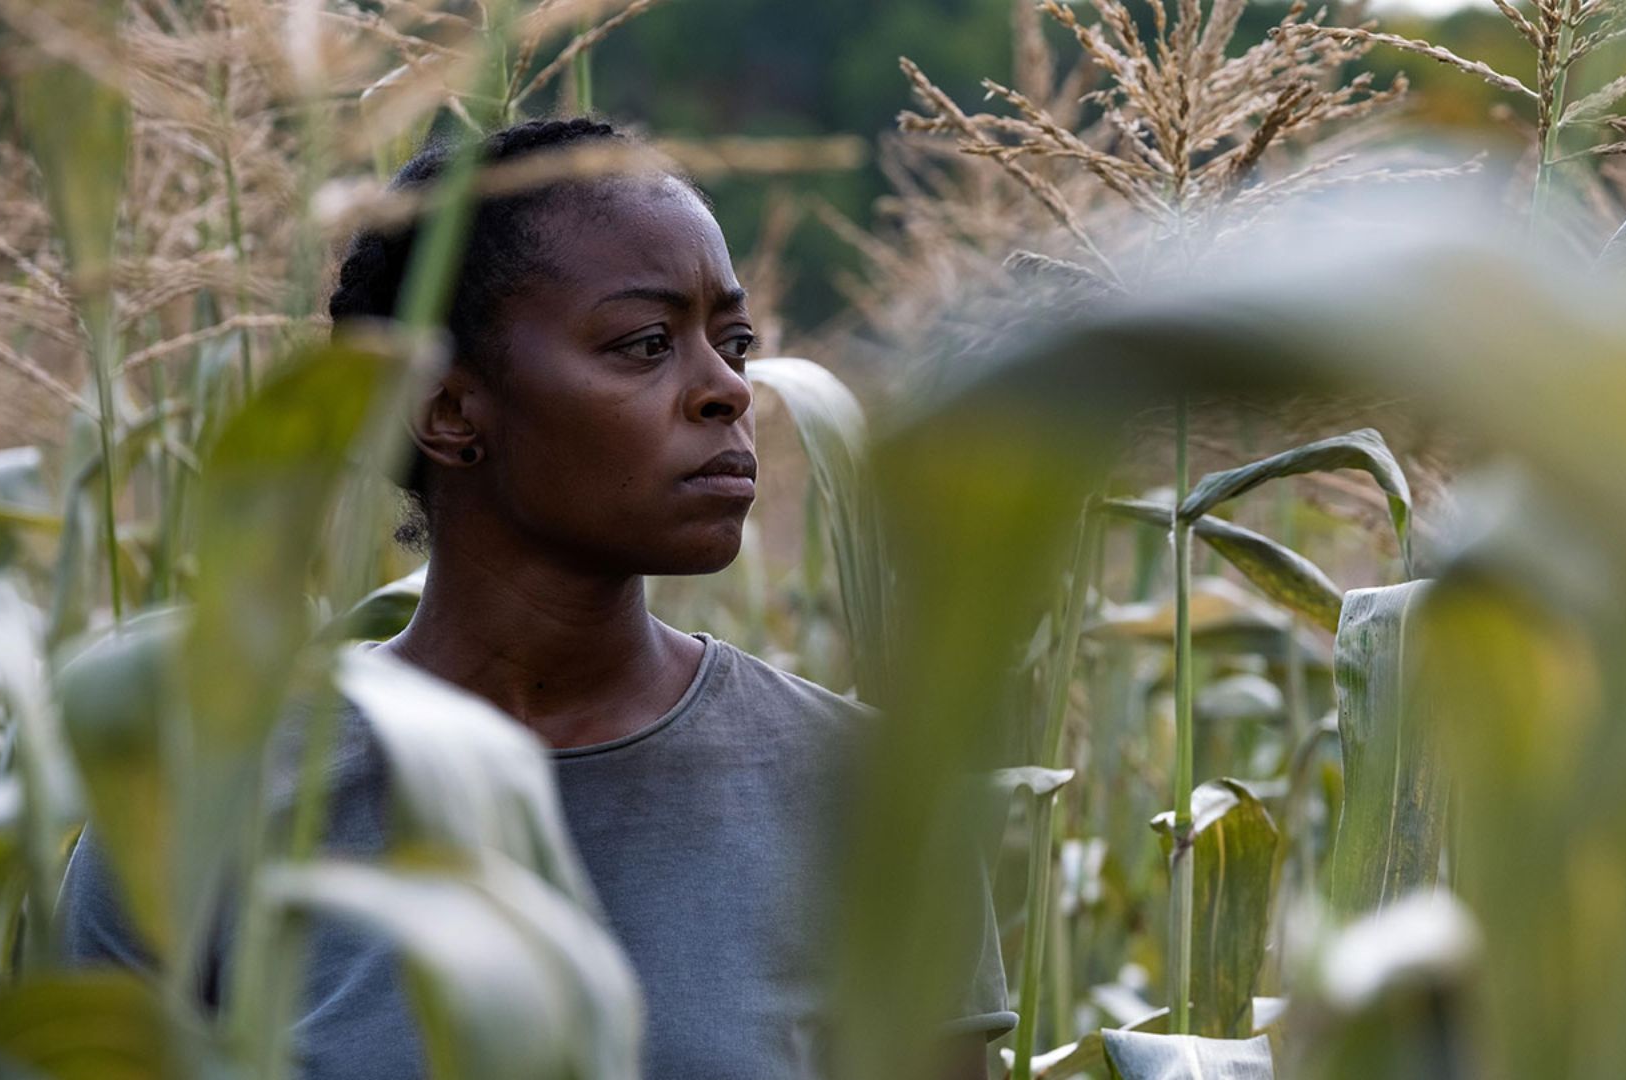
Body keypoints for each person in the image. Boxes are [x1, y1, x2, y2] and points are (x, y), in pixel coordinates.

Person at [58, 116, 1015, 1079]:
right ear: (448, 410)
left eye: (733, 341)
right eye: (646, 343)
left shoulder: (868, 797)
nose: (729, 390)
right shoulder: (207, 796)